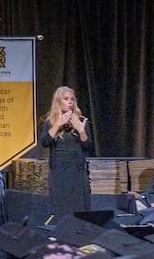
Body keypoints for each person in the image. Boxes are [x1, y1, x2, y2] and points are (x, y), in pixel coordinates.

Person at [38, 85, 90, 216]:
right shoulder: (49, 123)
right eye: (66, 99)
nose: (70, 102)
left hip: (77, 171)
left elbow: (88, 146)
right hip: (59, 172)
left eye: (72, 99)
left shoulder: (81, 121)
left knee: (78, 208)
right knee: (61, 208)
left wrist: (82, 131)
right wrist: (58, 124)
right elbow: (44, 143)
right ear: (58, 101)